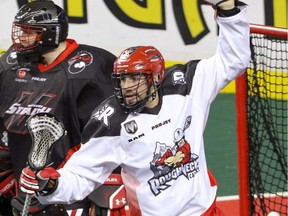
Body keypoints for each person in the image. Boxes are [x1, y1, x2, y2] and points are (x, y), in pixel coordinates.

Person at [19, 0, 251, 215]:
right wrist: (51, 185)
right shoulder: (110, 121)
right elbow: (82, 175)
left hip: (205, 211)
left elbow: (234, 61)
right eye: (121, 80)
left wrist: (228, 10)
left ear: (156, 78)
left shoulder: (188, 83)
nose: (126, 87)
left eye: (134, 79)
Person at [0, 0, 128, 215]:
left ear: (51, 34)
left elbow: (104, 138)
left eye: (30, 31)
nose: (20, 37)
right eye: (20, 30)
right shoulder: (10, 65)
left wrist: (54, 185)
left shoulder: (91, 69)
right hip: (25, 187)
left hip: (73, 189)